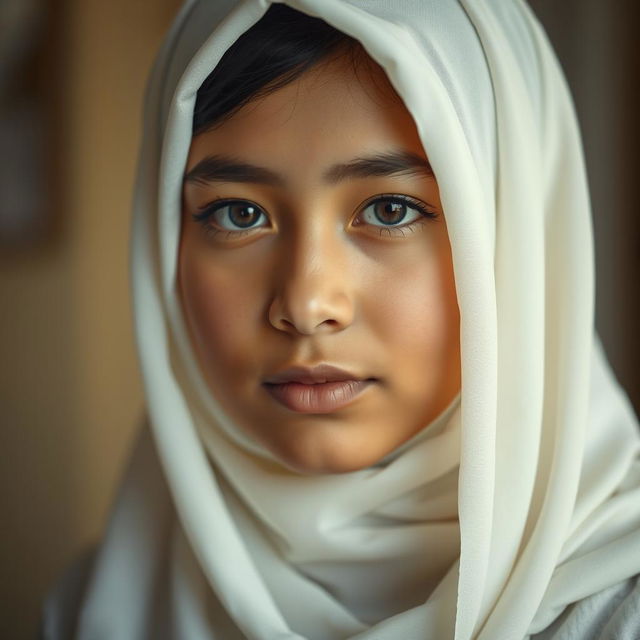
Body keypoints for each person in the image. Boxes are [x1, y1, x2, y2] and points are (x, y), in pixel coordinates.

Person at [43, 1, 640, 638]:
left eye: (389, 210)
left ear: (514, 230)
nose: (304, 305)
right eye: (238, 215)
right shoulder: (95, 606)